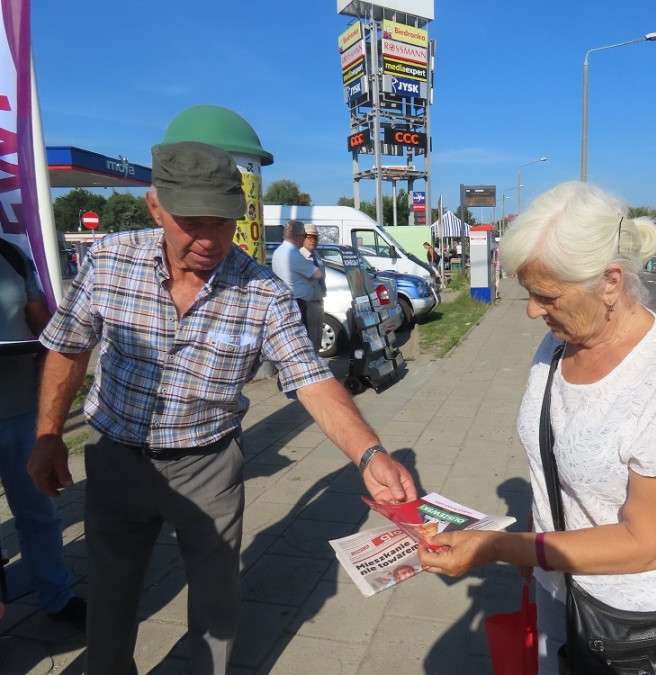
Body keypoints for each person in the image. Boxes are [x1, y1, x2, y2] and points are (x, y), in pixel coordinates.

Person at [28, 141, 416, 675]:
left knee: (216, 599)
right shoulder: (109, 261)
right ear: (156, 206)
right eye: (193, 222)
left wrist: (369, 454)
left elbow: (310, 379)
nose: (210, 240)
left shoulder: (263, 293)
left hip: (207, 464)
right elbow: (69, 347)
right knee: (111, 592)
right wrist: (49, 433)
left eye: (224, 222)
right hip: (116, 457)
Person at [418, 182, 656, 674]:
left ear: (610, 282)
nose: (532, 310)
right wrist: (532, 535)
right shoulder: (559, 345)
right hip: (557, 584)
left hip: (637, 625)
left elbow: (648, 545)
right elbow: (551, 455)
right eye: (529, 293)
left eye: (546, 296)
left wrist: (499, 547)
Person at [0, 238, 86, 630]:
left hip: (20, 412)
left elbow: (46, 328)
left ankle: (57, 595)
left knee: (38, 512)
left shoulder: (10, 256)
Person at [272, 220, 327, 351]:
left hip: (307, 301)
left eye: (316, 237)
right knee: (305, 343)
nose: (312, 240)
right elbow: (317, 274)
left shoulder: (283, 251)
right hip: (299, 303)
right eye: (307, 236)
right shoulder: (294, 254)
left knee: (314, 339)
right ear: (298, 237)